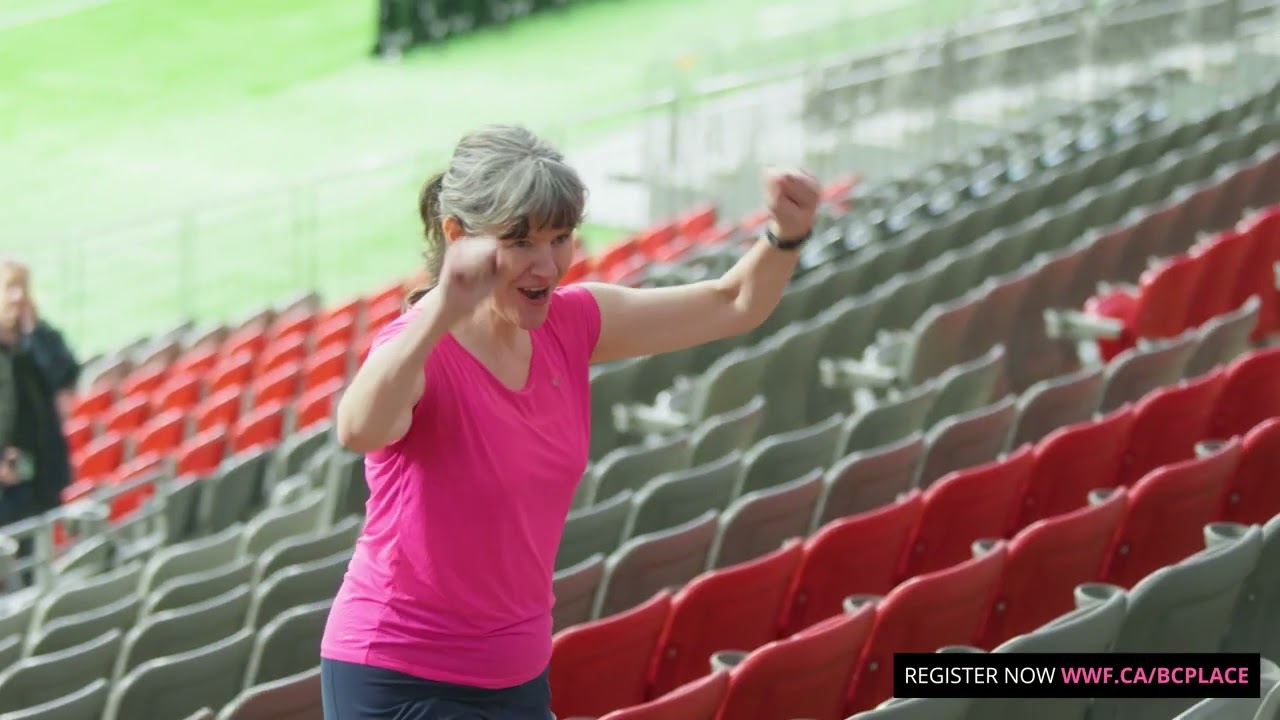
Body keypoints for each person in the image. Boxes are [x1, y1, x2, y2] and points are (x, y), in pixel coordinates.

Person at [320, 124, 821, 719]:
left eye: (560, 239)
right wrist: (443, 311)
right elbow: (359, 429)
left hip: (517, 672)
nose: (547, 265)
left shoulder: (573, 323)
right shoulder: (419, 349)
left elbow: (732, 303)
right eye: (521, 242)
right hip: (400, 674)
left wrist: (786, 235)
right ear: (459, 238)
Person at [0, 259, 80, 530]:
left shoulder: (40, 338)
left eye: (23, 287)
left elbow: (64, 376)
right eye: (10, 288)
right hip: (8, 485)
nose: (18, 297)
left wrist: (34, 332)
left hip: (45, 469)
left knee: (42, 546)